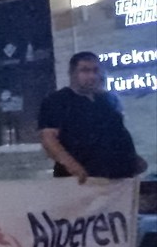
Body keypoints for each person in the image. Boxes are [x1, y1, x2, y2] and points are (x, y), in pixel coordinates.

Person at [38, 52, 147, 181]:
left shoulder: (107, 100)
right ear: (72, 73)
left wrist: (133, 159)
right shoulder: (57, 101)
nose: (92, 76)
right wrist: (73, 166)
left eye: (95, 70)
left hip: (120, 177)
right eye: (85, 70)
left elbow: (117, 133)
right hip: (82, 180)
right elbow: (48, 139)